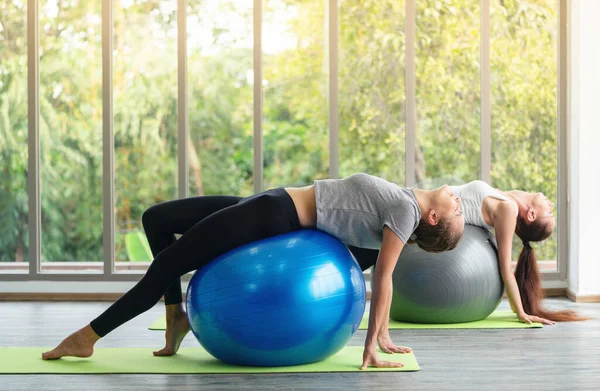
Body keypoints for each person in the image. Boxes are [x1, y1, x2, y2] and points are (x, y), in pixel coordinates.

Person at [41, 173, 464, 369]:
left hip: (274, 213)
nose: (458, 198)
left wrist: (375, 342)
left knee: (166, 265)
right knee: (157, 219)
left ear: (431, 220)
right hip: (271, 200)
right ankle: (175, 316)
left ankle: (87, 338)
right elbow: (370, 258)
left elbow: (383, 276)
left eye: (458, 210)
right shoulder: (402, 207)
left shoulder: (405, 211)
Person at [349, 180, 586, 325]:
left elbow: (505, 266)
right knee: (360, 243)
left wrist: (521, 312)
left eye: (549, 214)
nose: (551, 205)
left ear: (531, 215)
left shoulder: (508, 210)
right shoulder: (505, 198)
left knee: (360, 249)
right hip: (419, 209)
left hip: (423, 218)